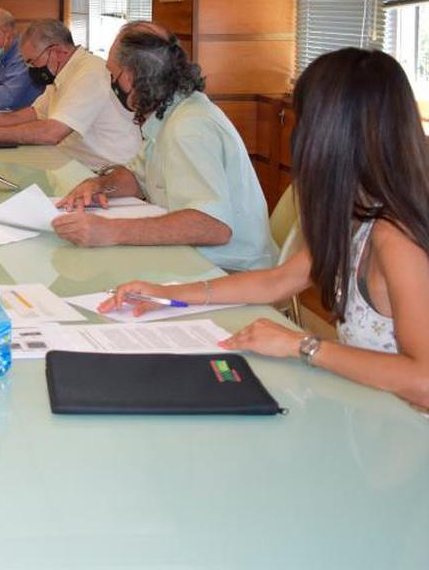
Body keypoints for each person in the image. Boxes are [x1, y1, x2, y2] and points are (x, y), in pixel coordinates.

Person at [105, 49, 429, 410]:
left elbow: (424, 382)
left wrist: (303, 346)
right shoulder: (356, 212)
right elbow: (279, 281)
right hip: (373, 409)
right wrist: (169, 295)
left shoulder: (396, 238)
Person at [55, 21, 276, 271]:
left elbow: (211, 226)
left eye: (111, 74)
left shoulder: (190, 129)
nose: (110, 83)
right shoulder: (170, 112)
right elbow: (138, 178)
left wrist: (111, 231)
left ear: (129, 78)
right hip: (196, 258)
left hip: (227, 270)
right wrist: (100, 185)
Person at [0, 19, 140, 168]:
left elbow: (51, 133)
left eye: (32, 62)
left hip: (105, 172)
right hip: (72, 165)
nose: (30, 68)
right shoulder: (61, 71)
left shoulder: (90, 73)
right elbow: (36, 112)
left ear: (57, 52)